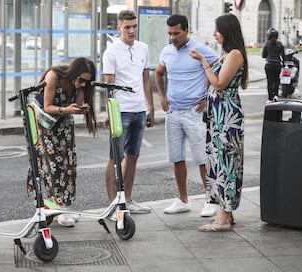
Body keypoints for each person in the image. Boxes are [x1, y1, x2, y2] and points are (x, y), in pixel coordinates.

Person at [154, 14, 218, 217]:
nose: (172, 37)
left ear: (186, 30)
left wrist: (209, 97)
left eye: (176, 33)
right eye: (170, 33)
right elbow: (158, 73)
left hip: (194, 112)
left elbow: (220, 71)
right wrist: (162, 96)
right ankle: (183, 200)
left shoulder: (201, 50)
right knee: (177, 158)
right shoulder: (166, 51)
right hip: (173, 112)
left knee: (201, 158)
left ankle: (210, 200)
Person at [189, 13, 248, 232]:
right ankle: (225, 214)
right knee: (220, 162)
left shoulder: (234, 54)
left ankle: (223, 218)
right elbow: (217, 86)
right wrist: (207, 98)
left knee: (226, 164)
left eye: (217, 30)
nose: (214, 34)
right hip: (219, 115)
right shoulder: (228, 54)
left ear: (226, 30)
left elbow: (220, 83)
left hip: (227, 118)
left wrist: (203, 62)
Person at [27, 57, 97, 227]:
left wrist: (81, 100)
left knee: (68, 167)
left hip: (64, 127)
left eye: (86, 82)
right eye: (80, 79)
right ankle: (59, 210)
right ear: (73, 72)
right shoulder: (54, 76)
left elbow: (78, 104)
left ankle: (62, 207)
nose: (82, 84)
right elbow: (47, 106)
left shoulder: (79, 84)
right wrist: (66, 109)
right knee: (54, 168)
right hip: (46, 126)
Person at [102, 10, 155, 219]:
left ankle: (128, 200)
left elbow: (145, 80)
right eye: (127, 27)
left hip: (139, 110)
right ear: (119, 28)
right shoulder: (111, 52)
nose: (131, 31)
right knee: (115, 156)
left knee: (133, 156)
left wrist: (151, 107)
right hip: (121, 110)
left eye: (134, 27)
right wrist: (110, 112)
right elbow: (109, 86)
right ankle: (113, 204)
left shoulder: (143, 48)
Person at [262, 27, 285, 101]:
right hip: (277, 65)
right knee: (276, 81)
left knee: (270, 82)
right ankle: (275, 95)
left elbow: (263, 55)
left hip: (269, 65)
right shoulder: (280, 44)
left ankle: (270, 98)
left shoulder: (266, 44)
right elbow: (283, 55)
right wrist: (283, 63)